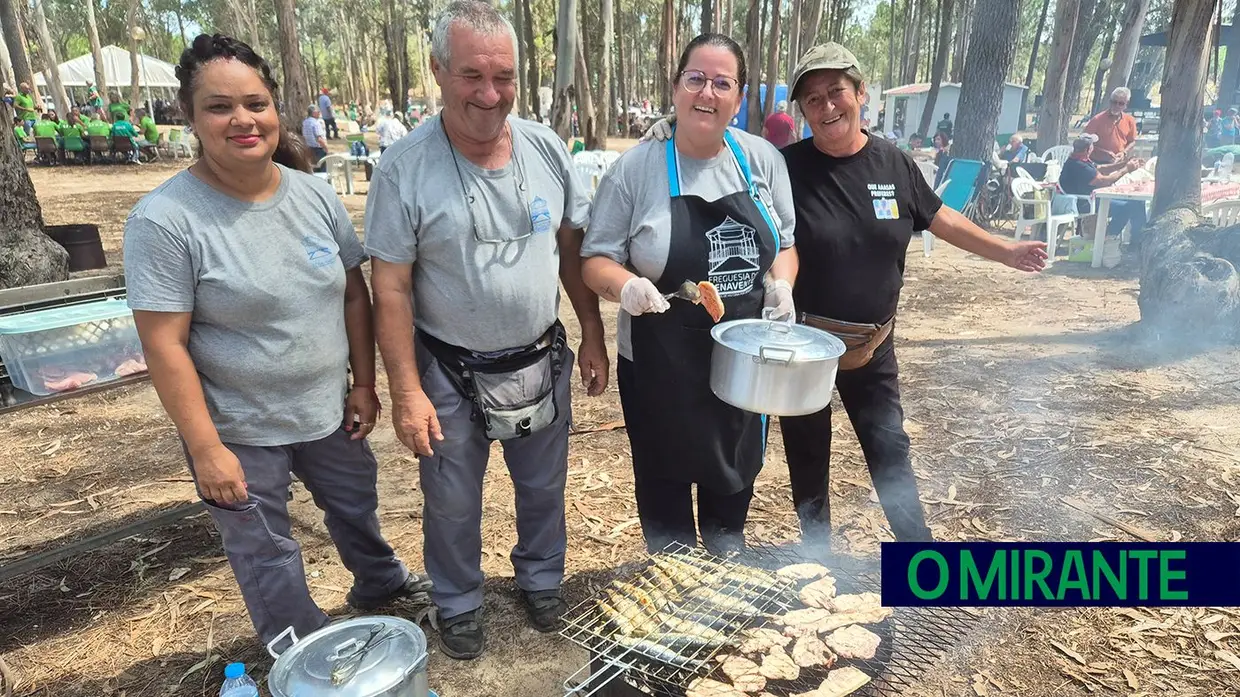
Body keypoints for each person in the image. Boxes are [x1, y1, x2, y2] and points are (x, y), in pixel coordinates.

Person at [123, 33, 431, 648]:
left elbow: (352, 294)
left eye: (256, 103)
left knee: (354, 508)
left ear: (275, 109)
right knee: (266, 548)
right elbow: (164, 345)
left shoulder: (314, 195)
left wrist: (365, 384)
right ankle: (303, 650)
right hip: (239, 425)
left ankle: (380, 582)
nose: (242, 119)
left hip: (326, 410)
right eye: (219, 106)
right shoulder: (165, 220)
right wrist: (206, 449)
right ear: (190, 116)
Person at [364, 1, 607, 660]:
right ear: (438, 71)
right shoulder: (404, 168)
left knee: (542, 487)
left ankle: (541, 576)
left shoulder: (547, 148)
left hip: (539, 356)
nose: (490, 93)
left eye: (503, 76)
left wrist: (591, 327)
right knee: (450, 499)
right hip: (446, 368)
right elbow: (388, 286)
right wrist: (407, 390)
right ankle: (458, 600)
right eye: (472, 75)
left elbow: (569, 246)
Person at [776, 43, 1045, 548]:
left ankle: (918, 557)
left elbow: (939, 218)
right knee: (807, 452)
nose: (826, 106)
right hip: (805, 346)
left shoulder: (893, 163)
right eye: (812, 99)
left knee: (888, 448)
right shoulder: (786, 167)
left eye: (836, 91)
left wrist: (1004, 250)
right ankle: (816, 554)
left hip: (872, 346)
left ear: (861, 94)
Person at [583, 33, 798, 555]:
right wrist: (627, 285)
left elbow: (785, 244)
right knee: (664, 480)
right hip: (660, 360)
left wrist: (782, 285)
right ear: (676, 87)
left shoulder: (763, 160)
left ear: (739, 98)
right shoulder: (636, 169)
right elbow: (594, 260)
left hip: (742, 357)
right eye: (695, 78)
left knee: (733, 473)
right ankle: (672, 574)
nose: (707, 92)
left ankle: (727, 548)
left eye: (722, 82)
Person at [1058, 133, 1146, 244]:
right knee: (1126, 207)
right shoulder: (1080, 166)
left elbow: (1101, 169)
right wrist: (1126, 170)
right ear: (1088, 149)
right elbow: (1104, 181)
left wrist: (1124, 164)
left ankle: (1138, 240)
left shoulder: (1078, 160)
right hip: (1085, 204)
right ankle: (1107, 238)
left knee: (1137, 202)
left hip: (1089, 200)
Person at [1084, 87, 1138, 164]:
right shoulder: (1097, 119)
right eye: (1114, 102)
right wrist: (1103, 153)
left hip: (1118, 163)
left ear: (1126, 105)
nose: (1117, 106)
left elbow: (1132, 142)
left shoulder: (1130, 120)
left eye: (1121, 103)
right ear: (1110, 102)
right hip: (1097, 163)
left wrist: (1123, 152)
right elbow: (1084, 142)